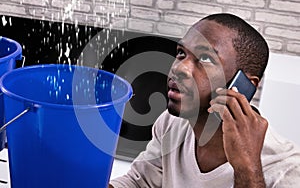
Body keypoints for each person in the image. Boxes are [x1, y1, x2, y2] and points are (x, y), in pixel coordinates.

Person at [109, 13, 300, 187]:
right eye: (181, 53)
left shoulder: (287, 171)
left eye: (206, 58)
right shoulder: (171, 123)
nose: (179, 68)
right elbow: (140, 182)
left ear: (243, 85)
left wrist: (247, 169)